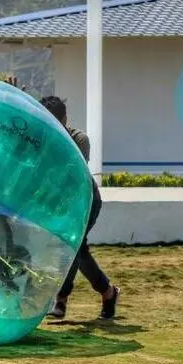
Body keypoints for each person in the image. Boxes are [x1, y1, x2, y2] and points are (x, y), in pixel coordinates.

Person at [40, 96, 120, 321]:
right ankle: (109, 293)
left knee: (72, 246)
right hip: (59, 203)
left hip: (85, 201)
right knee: (78, 250)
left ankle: (61, 300)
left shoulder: (78, 139)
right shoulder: (43, 138)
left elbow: (72, 172)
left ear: (65, 119)